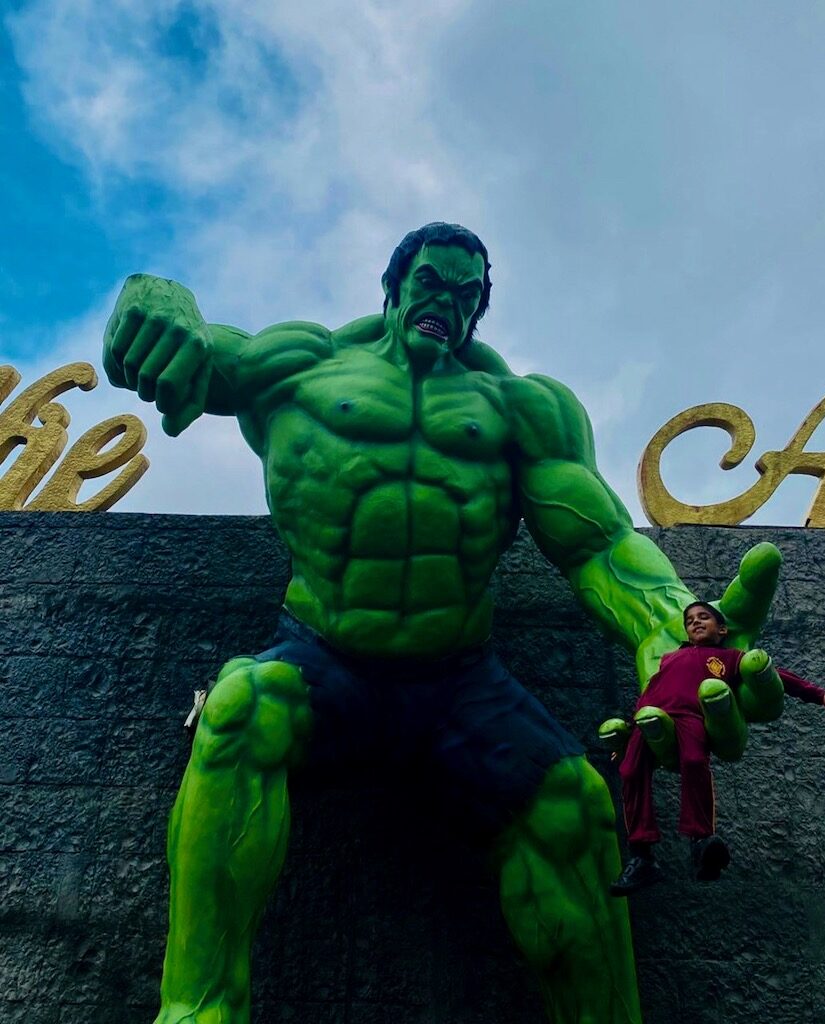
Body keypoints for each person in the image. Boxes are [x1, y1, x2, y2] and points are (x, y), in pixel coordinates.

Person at [103, 222, 783, 1024]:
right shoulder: (303, 365)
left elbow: (598, 542)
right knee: (239, 709)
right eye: (431, 282)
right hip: (325, 661)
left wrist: (669, 625)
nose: (447, 304)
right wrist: (156, 299)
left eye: (468, 295)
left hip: (458, 684)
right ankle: (197, 1010)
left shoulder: (520, 408)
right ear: (395, 284)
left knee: (572, 804)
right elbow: (197, 352)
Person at [610, 601, 825, 895]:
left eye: (704, 617)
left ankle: (701, 842)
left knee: (694, 761)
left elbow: (774, 675)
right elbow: (649, 693)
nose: (696, 622)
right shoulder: (669, 659)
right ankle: (641, 855)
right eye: (690, 620)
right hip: (650, 718)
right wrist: (628, 732)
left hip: (691, 717)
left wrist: (819, 695)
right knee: (630, 771)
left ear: (722, 629)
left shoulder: (729, 658)